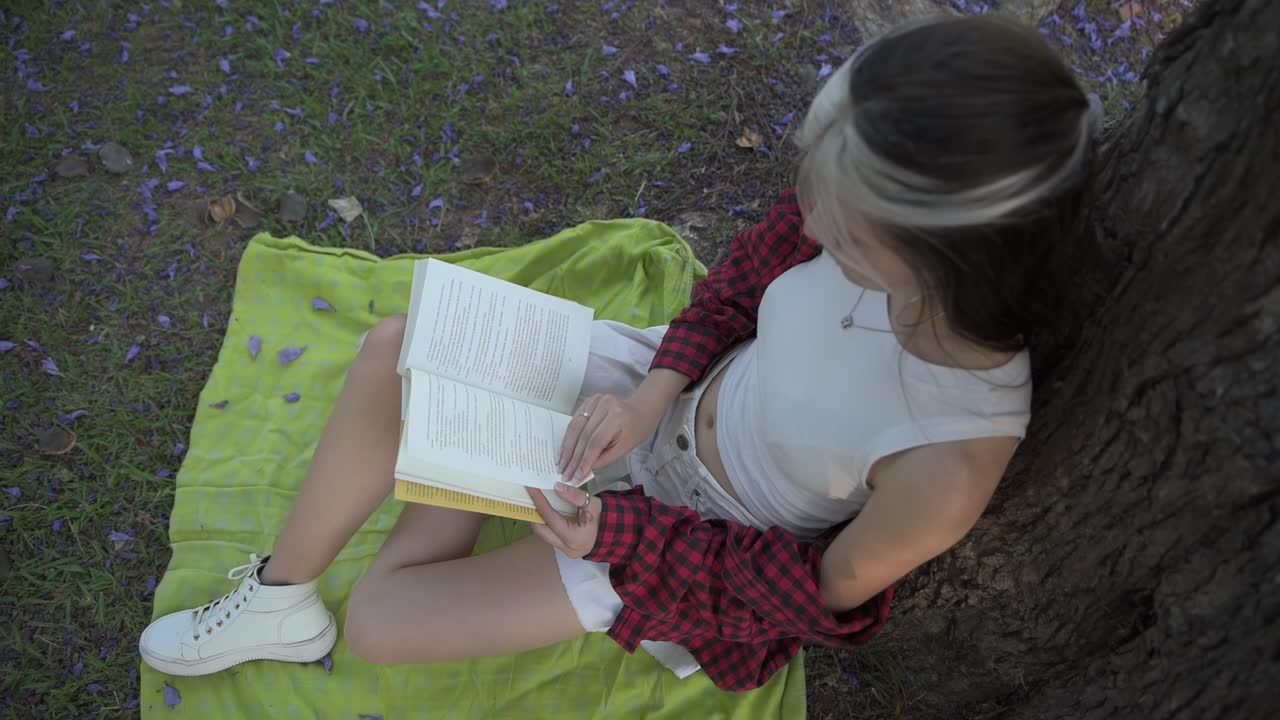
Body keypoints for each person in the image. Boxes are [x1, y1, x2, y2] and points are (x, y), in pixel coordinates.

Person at [139, 15, 1097, 692]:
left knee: (384, 629)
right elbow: (735, 291)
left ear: (951, 256)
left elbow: (813, 598)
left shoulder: (954, 453)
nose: (810, 221)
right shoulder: (846, 215)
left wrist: (620, 539)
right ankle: (279, 596)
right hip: (651, 402)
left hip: (688, 532)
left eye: (846, 232)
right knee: (398, 347)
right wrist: (653, 391)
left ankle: (467, 476)